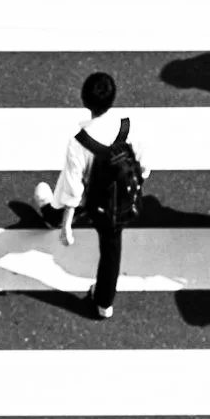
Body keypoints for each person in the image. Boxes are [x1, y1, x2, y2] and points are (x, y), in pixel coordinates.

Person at [32, 69, 149, 320]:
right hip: (123, 200)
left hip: (95, 202)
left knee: (69, 194)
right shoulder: (129, 126)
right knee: (111, 251)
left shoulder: (79, 142)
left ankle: (52, 214)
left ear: (85, 101)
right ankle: (104, 302)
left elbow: (74, 188)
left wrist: (66, 225)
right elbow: (143, 163)